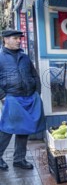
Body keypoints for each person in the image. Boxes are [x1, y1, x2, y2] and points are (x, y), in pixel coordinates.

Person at [0, 29, 45, 170]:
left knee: (24, 128)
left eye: (20, 38)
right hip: (12, 97)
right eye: (15, 38)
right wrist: (3, 96)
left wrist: (37, 92)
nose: (19, 40)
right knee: (7, 128)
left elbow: (35, 75)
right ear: (5, 39)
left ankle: (19, 159)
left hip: (29, 96)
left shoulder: (25, 57)